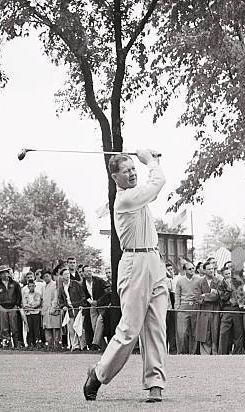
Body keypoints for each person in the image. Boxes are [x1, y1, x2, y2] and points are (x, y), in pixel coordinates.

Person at [85, 149, 168, 403]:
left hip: (154, 260)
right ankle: (98, 375)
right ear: (115, 178)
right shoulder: (124, 200)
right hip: (134, 263)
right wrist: (150, 161)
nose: (132, 173)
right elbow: (157, 183)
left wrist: (154, 163)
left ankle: (155, 383)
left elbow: (152, 188)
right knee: (129, 330)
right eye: (126, 171)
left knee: (156, 326)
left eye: (134, 169)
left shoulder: (138, 196)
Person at [195, 260, 221, 355]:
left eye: (213, 269)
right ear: (204, 270)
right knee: (204, 333)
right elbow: (197, 297)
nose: (211, 270)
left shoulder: (219, 281)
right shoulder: (199, 282)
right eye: (209, 269)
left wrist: (204, 295)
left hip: (215, 311)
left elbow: (217, 296)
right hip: (203, 311)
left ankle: (215, 354)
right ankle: (204, 355)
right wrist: (210, 294)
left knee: (215, 333)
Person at [174, 261, 201, 354]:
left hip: (195, 306)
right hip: (183, 307)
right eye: (190, 269)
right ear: (185, 270)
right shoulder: (180, 281)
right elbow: (177, 295)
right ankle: (182, 352)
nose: (192, 270)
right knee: (182, 332)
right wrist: (177, 306)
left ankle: (193, 353)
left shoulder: (198, 279)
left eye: (193, 268)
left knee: (195, 331)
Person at [57, 267, 86, 351]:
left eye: (68, 274)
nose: (67, 275)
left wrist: (82, 304)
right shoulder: (61, 288)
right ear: (62, 276)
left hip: (78, 308)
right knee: (71, 329)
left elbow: (82, 296)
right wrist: (63, 306)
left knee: (80, 327)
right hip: (69, 310)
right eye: (65, 274)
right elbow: (60, 300)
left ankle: (83, 345)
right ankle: (75, 346)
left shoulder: (76, 284)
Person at [0, 265, 22, 348]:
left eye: (6, 272)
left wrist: (17, 305)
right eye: (2, 273)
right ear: (0, 275)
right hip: (2, 308)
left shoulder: (15, 284)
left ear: (8, 273)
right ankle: (6, 344)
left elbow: (19, 296)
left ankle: (16, 344)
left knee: (14, 327)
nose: (4, 275)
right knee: (4, 328)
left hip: (13, 307)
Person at [217, 266, 244, 354]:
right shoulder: (221, 284)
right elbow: (223, 298)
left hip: (236, 309)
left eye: (229, 273)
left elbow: (242, 295)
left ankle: (237, 353)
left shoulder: (238, 282)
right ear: (222, 275)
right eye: (226, 274)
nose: (228, 275)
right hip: (226, 310)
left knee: (238, 332)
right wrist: (229, 288)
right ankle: (223, 353)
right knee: (224, 332)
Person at [81, 265, 108, 351]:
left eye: (90, 270)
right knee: (94, 326)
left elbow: (106, 292)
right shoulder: (82, 284)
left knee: (99, 324)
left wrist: (98, 302)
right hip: (92, 306)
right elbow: (84, 295)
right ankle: (103, 347)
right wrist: (91, 302)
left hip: (101, 305)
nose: (89, 272)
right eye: (87, 271)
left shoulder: (99, 280)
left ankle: (95, 344)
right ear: (83, 273)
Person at [41, 270, 62, 348]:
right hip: (46, 310)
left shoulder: (54, 285)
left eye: (47, 276)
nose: (45, 278)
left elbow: (56, 297)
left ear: (50, 276)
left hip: (54, 309)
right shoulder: (43, 286)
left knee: (56, 328)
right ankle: (49, 345)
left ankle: (57, 345)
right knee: (47, 328)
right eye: (44, 277)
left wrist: (54, 307)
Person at [164, 262, 177, 354]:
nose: (170, 271)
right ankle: (164, 350)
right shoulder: (166, 280)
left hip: (170, 309)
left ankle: (172, 350)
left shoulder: (174, 280)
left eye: (171, 269)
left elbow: (173, 296)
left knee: (171, 331)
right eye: (168, 270)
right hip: (163, 310)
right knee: (164, 331)